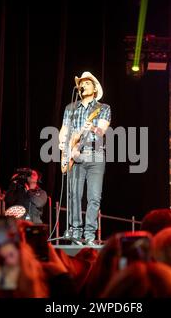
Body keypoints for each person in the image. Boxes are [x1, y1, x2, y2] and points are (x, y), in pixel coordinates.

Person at [58, 71, 111, 246]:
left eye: (87, 83)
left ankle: (89, 235)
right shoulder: (70, 108)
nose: (83, 85)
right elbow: (64, 130)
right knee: (74, 195)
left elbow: (102, 130)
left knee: (94, 197)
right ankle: (75, 232)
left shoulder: (103, 108)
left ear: (94, 88)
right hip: (75, 155)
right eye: (82, 83)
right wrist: (63, 146)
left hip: (95, 154)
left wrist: (93, 128)